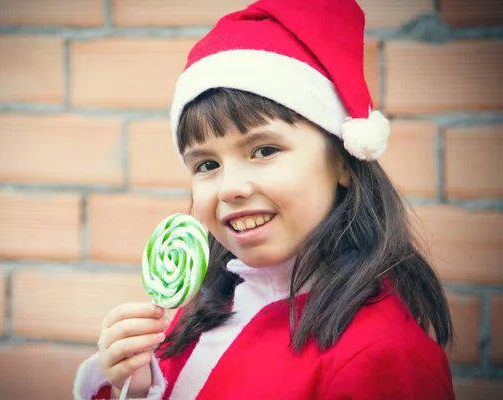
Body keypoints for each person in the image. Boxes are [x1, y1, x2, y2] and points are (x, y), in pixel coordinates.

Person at [73, 0, 455, 399]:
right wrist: (137, 388)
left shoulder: (382, 357)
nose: (230, 188)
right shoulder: (195, 317)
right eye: (206, 165)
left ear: (343, 160)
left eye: (264, 150)